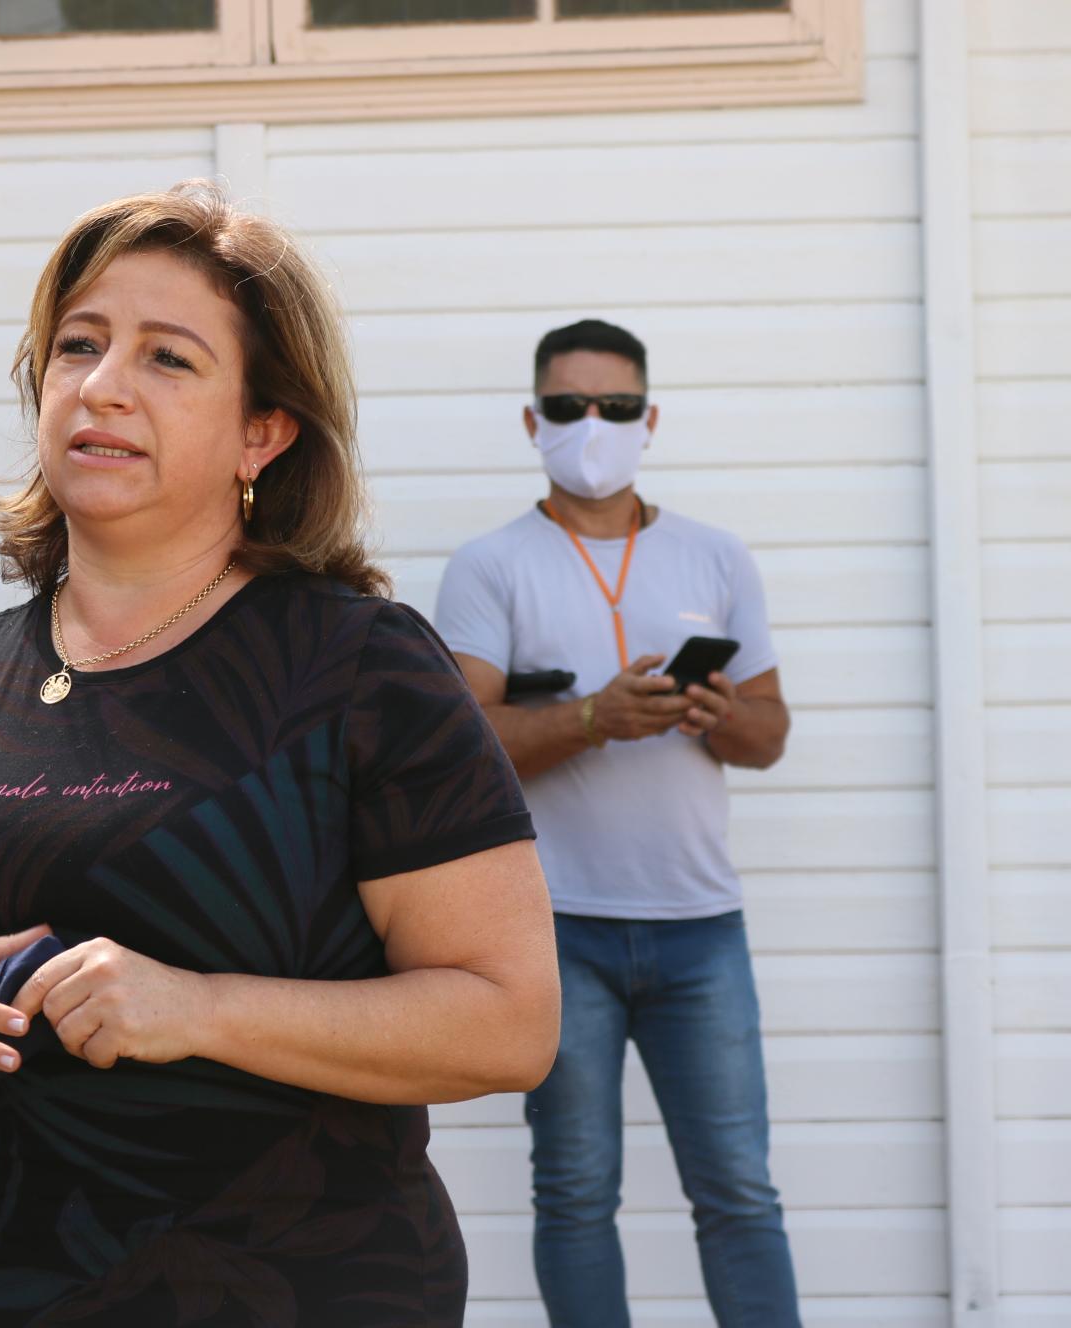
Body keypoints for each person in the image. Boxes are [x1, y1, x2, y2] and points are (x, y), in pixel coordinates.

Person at [0, 182, 561, 1327]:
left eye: (168, 357)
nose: (103, 384)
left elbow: (510, 1021)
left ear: (263, 431)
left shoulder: (362, 668)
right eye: (78, 344)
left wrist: (199, 1008)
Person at [432, 319, 800, 1327]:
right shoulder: (491, 566)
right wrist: (593, 718)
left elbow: (770, 732)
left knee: (739, 1190)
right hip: (557, 931)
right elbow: (461, 748)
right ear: (532, 421)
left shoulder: (716, 557)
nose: (592, 424)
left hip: (701, 926)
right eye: (567, 406)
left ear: (650, 419)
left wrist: (716, 713)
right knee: (576, 1192)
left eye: (616, 406)